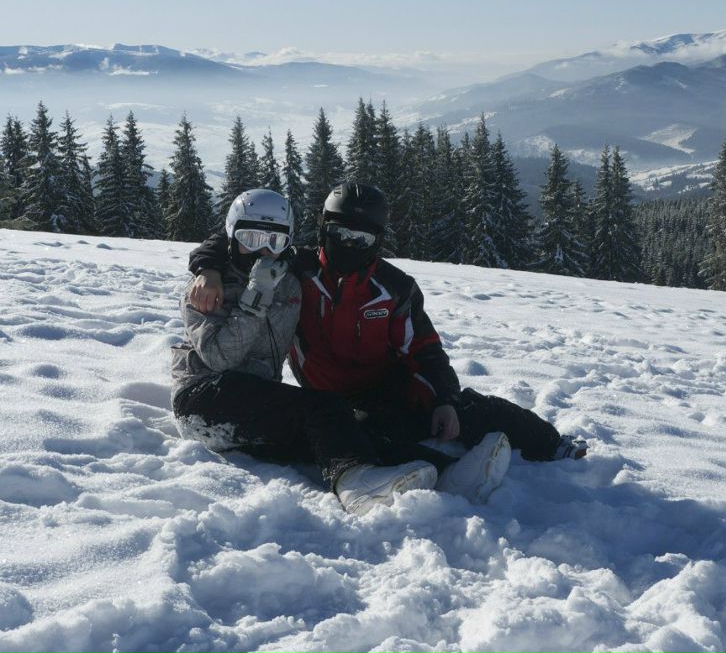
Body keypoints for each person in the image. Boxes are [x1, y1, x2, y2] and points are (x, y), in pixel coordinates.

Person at [186, 181, 587, 486]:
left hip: (386, 386)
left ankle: (551, 445)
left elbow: (426, 349)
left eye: (361, 239)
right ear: (324, 229)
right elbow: (238, 238)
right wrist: (206, 268)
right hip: (330, 400)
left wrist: (443, 399)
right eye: (341, 234)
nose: (348, 245)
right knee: (359, 436)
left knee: (462, 411)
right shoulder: (295, 273)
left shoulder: (393, 287)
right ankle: (445, 473)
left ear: (377, 241)